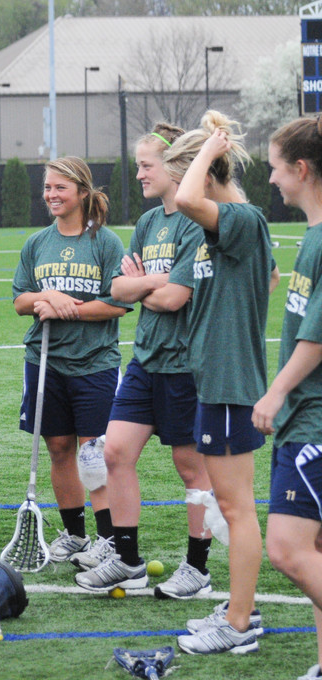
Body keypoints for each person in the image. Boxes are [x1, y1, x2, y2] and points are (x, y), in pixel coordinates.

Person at [75, 123, 214, 598]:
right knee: (114, 451)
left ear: (176, 167)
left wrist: (146, 284)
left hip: (184, 363)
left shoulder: (197, 223)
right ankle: (128, 559)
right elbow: (117, 288)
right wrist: (151, 284)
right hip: (145, 358)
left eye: (146, 165)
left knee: (190, 466)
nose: (138, 174)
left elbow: (175, 297)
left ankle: (198, 566)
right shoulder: (148, 224)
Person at [164, 111, 277, 655]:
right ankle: (240, 606)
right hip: (215, 381)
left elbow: (186, 199)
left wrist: (208, 149)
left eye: (186, 171)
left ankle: (238, 623)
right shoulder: (223, 227)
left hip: (232, 385)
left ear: (207, 174)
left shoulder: (243, 218)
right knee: (229, 505)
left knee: (236, 508)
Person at [12, 157, 130, 567]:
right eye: (47, 187)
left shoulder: (106, 243)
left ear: (82, 192)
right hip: (44, 360)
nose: (51, 195)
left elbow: (117, 304)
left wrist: (67, 308)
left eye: (60, 187)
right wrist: (47, 299)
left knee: (93, 452)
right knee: (59, 448)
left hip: (94, 362)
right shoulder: (37, 243)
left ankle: (110, 539)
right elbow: (20, 300)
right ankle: (76, 535)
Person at [253, 115, 322, 680]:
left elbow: (316, 338)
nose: (272, 180)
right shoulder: (314, 235)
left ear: (302, 169)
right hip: (308, 417)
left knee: (288, 550)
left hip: (312, 422)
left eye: (276, 168)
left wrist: (276, 393)